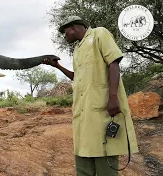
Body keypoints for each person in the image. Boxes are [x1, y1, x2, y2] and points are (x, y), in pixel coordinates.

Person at [43, 16, 139, 175]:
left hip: (102, 112)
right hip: (83, 116)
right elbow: (77, 76)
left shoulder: (99, 34)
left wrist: (113, 97)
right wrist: (57, 66)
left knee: (105, 166)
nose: (64, 36)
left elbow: (114, 62)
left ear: (73, 27)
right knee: (83, 167)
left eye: (65, 32)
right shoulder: (77, 50)